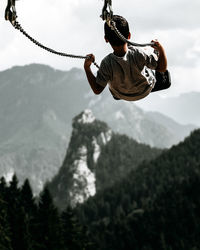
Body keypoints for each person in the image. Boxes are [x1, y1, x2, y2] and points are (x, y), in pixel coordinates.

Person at [84, 15, 170, 101]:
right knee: (150, 57)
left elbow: (97, 90)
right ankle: (156, 58)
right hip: (145, 90)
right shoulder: (139, 53)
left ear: (106, 39)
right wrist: (161, 49)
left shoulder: (106, 63)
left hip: (121, 94)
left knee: (113, 77)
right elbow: (162, 68)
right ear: (129, 36)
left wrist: (87, 68)